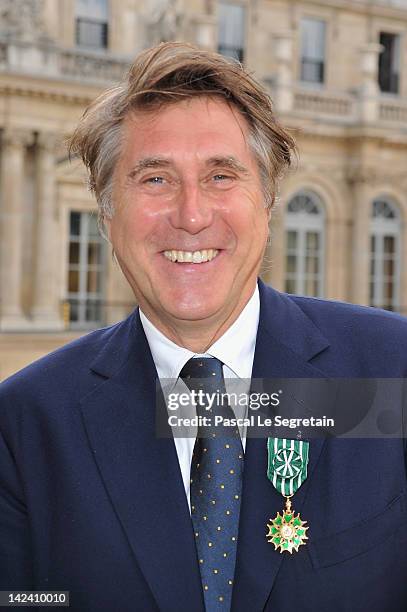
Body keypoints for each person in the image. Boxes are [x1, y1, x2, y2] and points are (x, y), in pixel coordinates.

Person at [0, 41, 406, 612]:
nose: (191, 216)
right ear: (107, 214)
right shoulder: (26, 422)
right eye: (155, 179)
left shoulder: (392, 370)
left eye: (220, 175)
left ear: (267, 204)